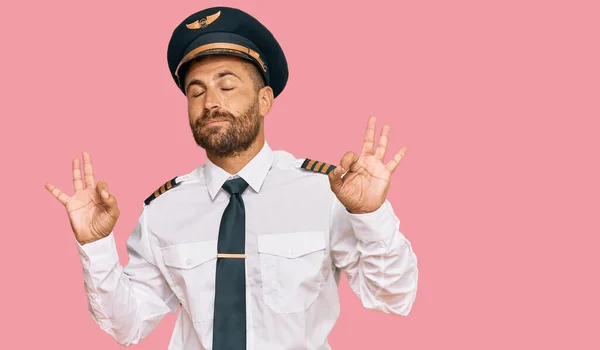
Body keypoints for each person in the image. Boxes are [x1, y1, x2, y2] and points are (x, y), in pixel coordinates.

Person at [44, 6, 418, 350]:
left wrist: (371, 215)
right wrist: (95, 245)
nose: (210, 103)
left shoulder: (326, 193)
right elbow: (128, 325)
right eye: (196, 91)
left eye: (227, 86)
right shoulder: (163, 210)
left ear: (265, 100)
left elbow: (393, 297)